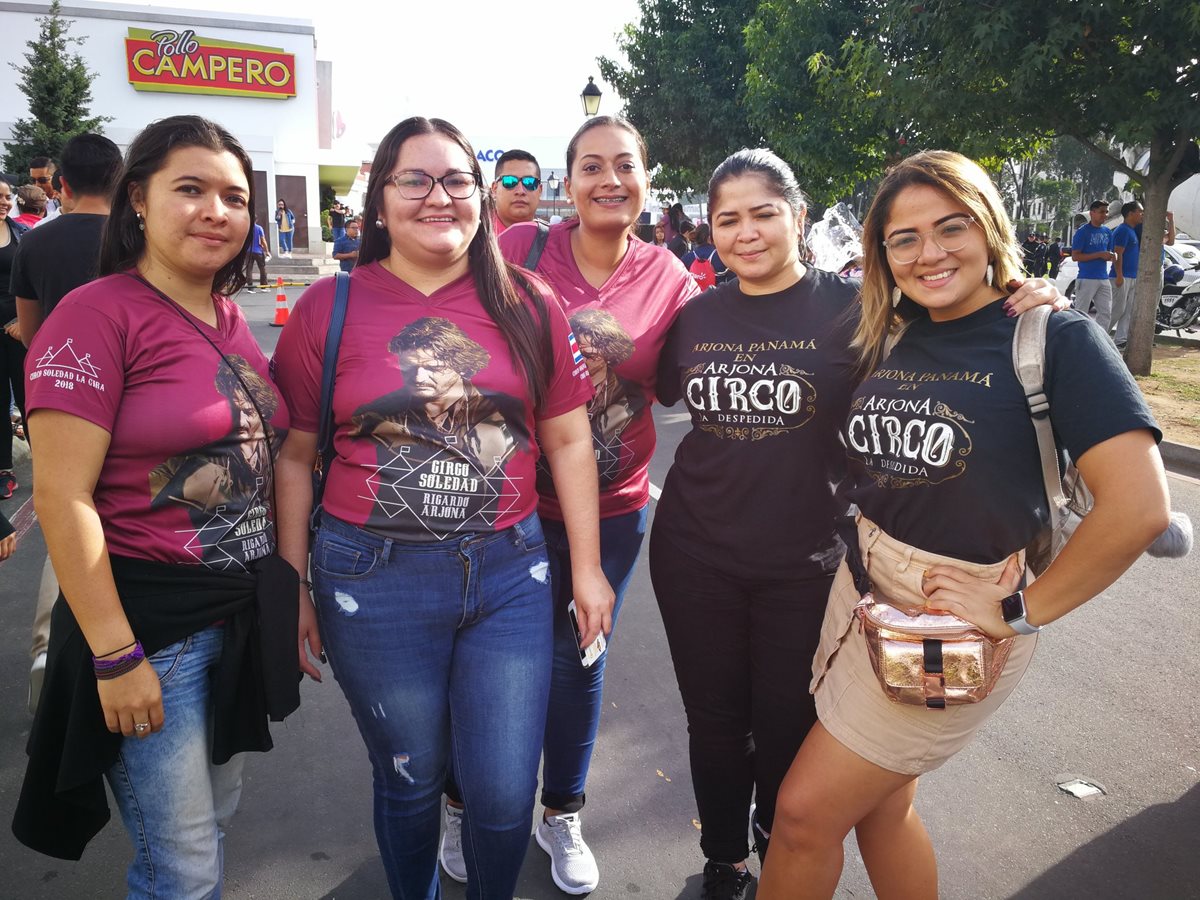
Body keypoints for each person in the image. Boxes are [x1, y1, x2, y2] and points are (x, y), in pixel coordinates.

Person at [652, 148, 1070, 900]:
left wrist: (1027, 293)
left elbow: (962, 320)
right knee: (713, 723)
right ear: (708, 230)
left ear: (799, 215)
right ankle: (725, 865)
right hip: (693, 553)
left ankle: (780, 845)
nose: (746, 233)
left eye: (763, 213)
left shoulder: (866, 311)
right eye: (727, 219)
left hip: (812, 566)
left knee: (788, 727)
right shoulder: (693, 319)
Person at [756, 150, 1168, 900]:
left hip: (954, 618)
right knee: (883, 809)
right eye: (903, 238)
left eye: (951, 227)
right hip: (861, 589)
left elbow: (1140, 509)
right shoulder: (892, 330)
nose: (929, 252)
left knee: (802, 817)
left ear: (988, 226)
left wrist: (1018, 611)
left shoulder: (1055, 339)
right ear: (881, 253)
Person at [271, 115, 610, 900]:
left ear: (480, 197)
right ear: (380, 199)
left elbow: (566, 442)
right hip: (371, 579)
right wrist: (290, 584)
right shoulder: (332, 305)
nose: (438, 196)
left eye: (457, 179)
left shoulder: (529, 300)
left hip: (508, 577)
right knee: (411, 780)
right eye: (414, 179)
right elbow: (293, 456)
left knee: (498, 792)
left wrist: (587, 570)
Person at [12, 115, 300, 897]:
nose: (217, 211)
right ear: (136, 200)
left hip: (233, 620)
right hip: (150, 632)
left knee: (215, 820)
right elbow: (62, 494)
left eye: (235, 197)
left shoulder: (232, 319)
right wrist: (115, 654)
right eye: (191, 190)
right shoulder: (94, 315)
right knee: (183, 865)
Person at [487, 115, 698, 895]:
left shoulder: (672, 278)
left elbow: (722, 349)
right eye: (591, 166)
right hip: (505, 501)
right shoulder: (518, 252)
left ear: (647, 175)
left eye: (626, 165)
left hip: (612, 505)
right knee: (491, 659)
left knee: (582, 655)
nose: (610, 179)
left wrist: (1002, 296)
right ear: (566, 183)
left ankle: (562, 810)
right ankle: (457, 799)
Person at [11, 133, 124, 716]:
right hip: (128, 396)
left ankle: (49, 645)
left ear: (61, 185)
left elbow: (32, 337)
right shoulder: (137, 240)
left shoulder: (35, 243)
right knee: (125, 509)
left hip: (59, 396)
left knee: (66, 506)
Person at [0, 179, 30, 502]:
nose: (5, 202)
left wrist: (25, 321)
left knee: (29, 398)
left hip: (20, 329)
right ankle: (4, 471)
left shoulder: (23, 233)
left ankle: (47, 460)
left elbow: (33, 282)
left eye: (8, 197)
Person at [1070, 200, 1115, 326]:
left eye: (1106, 212)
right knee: (1080, 313)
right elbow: (1075, 256)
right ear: (1092, 213)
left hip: (1103, 278)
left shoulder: (1107, 232)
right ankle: (1077, 340)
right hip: (1086, 278)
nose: (1105, 215)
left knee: (1106, 313)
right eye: (1101, 212)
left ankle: (1099, 341)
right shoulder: (1082, 232)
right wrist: (1100, 254)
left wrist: (1111, 256)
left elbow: (1108, 252)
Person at [491, 149, 543, 233]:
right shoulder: (474, 237)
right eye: (510, 181)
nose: (520, 191)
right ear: (494, 189)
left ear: (540, 191)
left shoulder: (554, 241)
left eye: (529, 182)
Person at [680, 222, 726, 289]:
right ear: (710, 237)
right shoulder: (721, 256)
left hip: (695, 296)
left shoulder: (687, 257)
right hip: (717, 296)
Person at [245, 220, 270, 290]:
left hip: (248, 251)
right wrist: (267, 251)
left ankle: (250, 287)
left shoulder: (246, 228)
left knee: (249, 269)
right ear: (256, 220)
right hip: (258, 251)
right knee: (262, 269)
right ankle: (263, 286)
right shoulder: (259, 228)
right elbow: (263, 240)